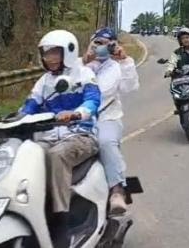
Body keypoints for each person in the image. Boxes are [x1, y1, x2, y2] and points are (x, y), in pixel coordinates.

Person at [21, 29, 101, 247]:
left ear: (68, 52)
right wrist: (6, 122)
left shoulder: (84, 75)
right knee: (25, 156)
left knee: (57, 156)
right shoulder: (44, 81)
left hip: (80, 134)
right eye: (47, 54)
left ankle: (60, 223)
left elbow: (93, 101)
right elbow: (29, 106)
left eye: (55, 53)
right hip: (48, 136)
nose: (50, 58)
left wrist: (77, 113)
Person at [82, 27, 139, 215]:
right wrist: (84, 61)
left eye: (108, 45)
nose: (101, 48)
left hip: (107, 118)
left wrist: (125, 60)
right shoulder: (76, 65)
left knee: (106, 142)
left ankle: (117, 190)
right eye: (97, 43)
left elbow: (130, 87)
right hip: (76, 121)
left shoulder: (117, 67)